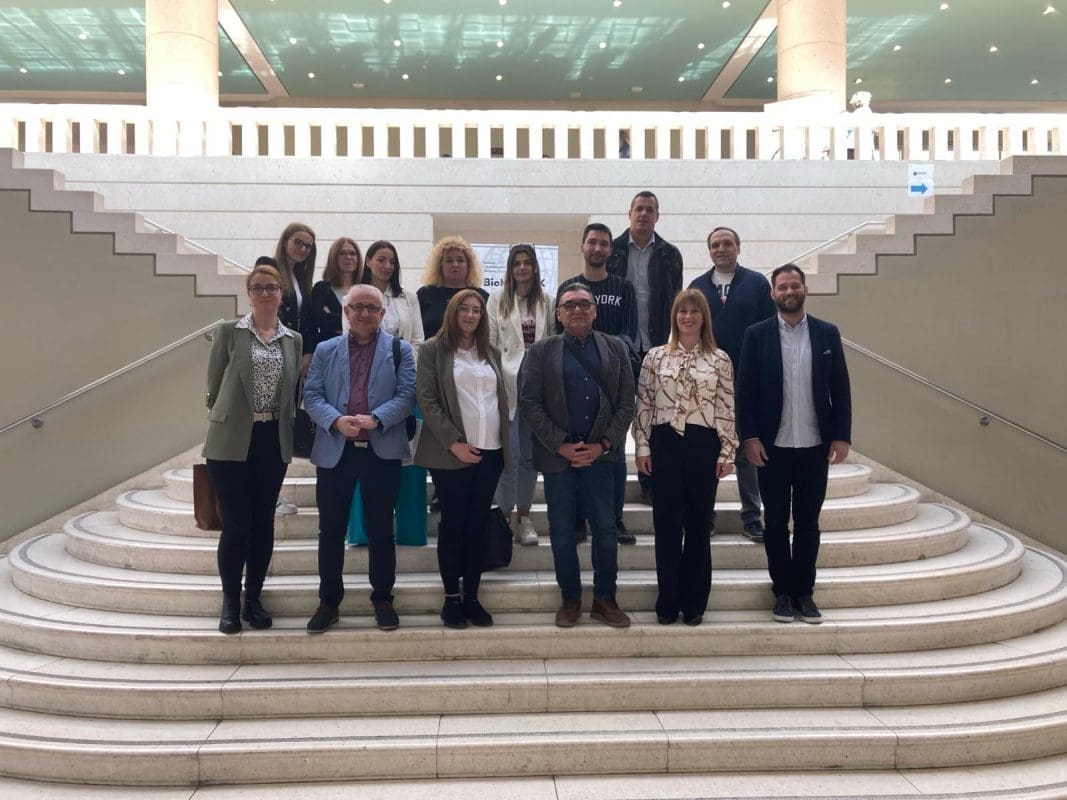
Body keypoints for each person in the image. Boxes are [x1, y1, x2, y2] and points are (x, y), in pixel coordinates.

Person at [735, 264, 852, 625]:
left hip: (815, 445)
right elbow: (745, 391)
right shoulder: (756, 335)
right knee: (774, 524)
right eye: (782, 287)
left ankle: (804, 592)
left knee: (807, 523)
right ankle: (782, 592)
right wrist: (749, 437)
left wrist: (842, 435)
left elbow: (840, 387)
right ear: (773, 293)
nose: (789, 291)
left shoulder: (827, 333)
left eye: (794, 285)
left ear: (804, 289)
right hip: (772, 447)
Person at [520, 284, 635, 629]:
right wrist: (560, 445)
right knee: (561, 530)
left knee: (605, 528)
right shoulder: (541, 351)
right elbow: (529, 402)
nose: (577, 310)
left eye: (585, 304)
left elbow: (626, 403)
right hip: (559, 458)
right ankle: (570, 598)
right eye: (569, 305)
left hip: (602, 457)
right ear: (558, 314)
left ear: (595, 311)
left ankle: (605, 598)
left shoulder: (616, 348)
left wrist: (603, 444)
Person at [302, 284, 416, 634]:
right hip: (336, 452)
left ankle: (383, 599)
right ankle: (328, 602)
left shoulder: (400, 350)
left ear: (382, 313)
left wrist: (377, 418)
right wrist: (336, 420)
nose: (365, 313)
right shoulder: (325, 350)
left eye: (372, 308)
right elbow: (312, 394)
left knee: (381, 530)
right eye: (358, 307)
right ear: (346, 311)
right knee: (330, 531)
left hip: (381, 452)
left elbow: (407, 395)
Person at [203, 262, 302, 634]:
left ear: (281, 293)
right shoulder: (230, 332)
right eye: (257, 287)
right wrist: (227, 416)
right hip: (231, 439)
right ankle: (230, 601)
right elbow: (214, 384)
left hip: (272, 439)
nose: (264, 293)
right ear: (249, 294)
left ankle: (253, 599)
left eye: (271, 287)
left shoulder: (293, 339)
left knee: (263, 523)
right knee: (236, 524)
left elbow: (293, 390)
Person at [633, 290, 737, 626]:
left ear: (704, 317)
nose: (688, 317)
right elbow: (645, 404)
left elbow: (726, 407)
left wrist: (727, 450)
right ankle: (668, 600)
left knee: (698, 524)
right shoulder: (655, 357)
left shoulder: (719, 359)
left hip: (703, 444)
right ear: (674, 316)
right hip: (664, 443)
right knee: (666, 525)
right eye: (682, 311)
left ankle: (694, 603)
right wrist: (642, 446)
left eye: (695, 311)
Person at [415, 290, 509, 629]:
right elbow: (427, 400)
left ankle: (472, 596)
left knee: (477, 525)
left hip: (491, 450)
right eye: (464, 309)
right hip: (451, 452)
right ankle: (451, 598)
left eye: (477, 310)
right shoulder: (432, 350)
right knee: (453, 525)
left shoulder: (491, 352)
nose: (471, 315)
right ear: (453, 313)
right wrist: (454, 443)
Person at [689, 226, 776, 542]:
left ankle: (751, 516)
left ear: (738, 248)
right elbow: (689, 329)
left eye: (727, 243)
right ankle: (704, 517)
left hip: (747, 381)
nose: (721, 249)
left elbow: (770, 330)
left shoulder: (756, 284)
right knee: (706, 450)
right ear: (709, 251)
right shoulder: (698, 286)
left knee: (746, 449)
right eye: (715, 245)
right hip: (707, 381)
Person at [556, 223, 638, 545]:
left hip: (611, 376)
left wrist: (602, 348)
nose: (598, 248)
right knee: (577, 450)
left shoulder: (624, 288)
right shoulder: (568, 287)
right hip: (573, 380)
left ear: (611, 249)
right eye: (592, 242)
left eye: (604, 243)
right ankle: (578, 520)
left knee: (612, 452)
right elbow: (558, 335)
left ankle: (615, 520)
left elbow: (630, 333)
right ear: (583, 246)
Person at [348, 240, 428, 548]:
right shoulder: (357, 296)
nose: (387, 266)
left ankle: (410, 531)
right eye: (381, 259)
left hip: (406, 388)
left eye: (392, 261)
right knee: (363, 463)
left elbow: (418, 340)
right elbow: (352, 338)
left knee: (410, 465)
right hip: (365, 389)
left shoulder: (408, 297)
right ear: (368, 261)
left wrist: (402, 371)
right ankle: (363, 532)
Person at [606, 191, 683, 505]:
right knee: (615, 414)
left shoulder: (670, 254)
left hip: (657, 346)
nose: (643, 214)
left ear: (657, 216)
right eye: (639, 208)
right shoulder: (612, 251)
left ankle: (651, 483)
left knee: (654, 417)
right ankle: (610, 490)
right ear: (629, 213)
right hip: (619, 347)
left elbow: (675, 301)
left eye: (650, 210)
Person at [488, 244, 555, 547]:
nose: (522, 268)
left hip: (537, 388)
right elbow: (490, 344)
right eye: (517, 263)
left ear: (536, 267)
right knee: (509, 458)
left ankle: (524, 518)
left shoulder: (547, 301)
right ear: (510, 268)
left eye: (527, 262)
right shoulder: (497, 300)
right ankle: (503, 518)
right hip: (507, 386)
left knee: (528, 458)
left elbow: (551, 343)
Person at [272, 222, 317, 517]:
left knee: (285, 430)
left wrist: (307, 352)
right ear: (285, 241)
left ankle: (272, 492)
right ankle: (269, 495)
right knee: (271, 430)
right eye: (298, 242)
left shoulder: (302, 279)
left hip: (296, 363)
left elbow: (307, 322)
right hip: (275, 359)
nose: (302, 249)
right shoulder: (270, 267)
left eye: (308, 246)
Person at [417, 236, 489, 340]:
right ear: (440, 265)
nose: (455, 264)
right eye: (449, 260)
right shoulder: (424, 294)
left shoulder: (481, 296)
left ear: (468, 265)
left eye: (460, 260)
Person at [302, 237, 362, 356]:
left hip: (360, 353)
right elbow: (319, 320)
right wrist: (356, 320)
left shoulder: (364, 290)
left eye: (352, 253)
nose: (348, 257)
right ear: (333, 258)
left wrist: (334, 318)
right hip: (330, 353)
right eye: (342, 253)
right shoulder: (322, 289)